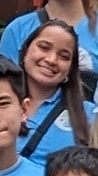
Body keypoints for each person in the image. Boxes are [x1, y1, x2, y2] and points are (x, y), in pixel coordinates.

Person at [16, 20, 91, 159]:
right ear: (25, 51)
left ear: (71, 68)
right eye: (44, 48)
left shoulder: (90, 115)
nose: (51, 60)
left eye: (64, 56)